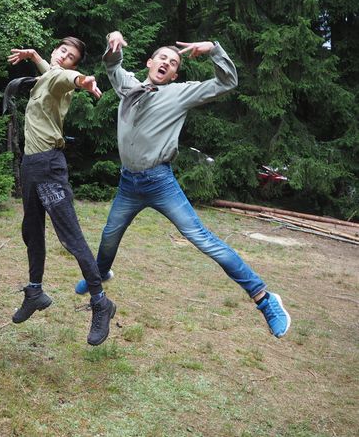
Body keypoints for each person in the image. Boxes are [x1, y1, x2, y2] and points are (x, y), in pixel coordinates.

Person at [73, 31, 291, 338]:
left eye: (173, 62)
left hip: (160, 183)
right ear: (150, 63)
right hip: (129, 183)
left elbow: (227, 82)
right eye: (162, 58)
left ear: (174, 74)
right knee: (109, 236)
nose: (166, 63)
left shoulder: (180, 94)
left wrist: (213, 49)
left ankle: (265, 299)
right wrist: (114, 40)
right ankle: (99, 274)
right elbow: (112, 65)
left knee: (203, 239)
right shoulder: (129, 87)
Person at [7, 38, 117, 346]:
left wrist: (83, 80)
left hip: (48, 167)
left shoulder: (59, 77)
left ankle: (101, 302)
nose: (64, 57)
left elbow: (67, 77)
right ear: (55, 51)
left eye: (70, 57)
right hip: (31, 166)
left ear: (73, 65)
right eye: (62, 51)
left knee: (71, 237)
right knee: (31, 232)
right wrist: (33, 55)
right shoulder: (48, 74)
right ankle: (35, 292)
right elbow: (50, 69)